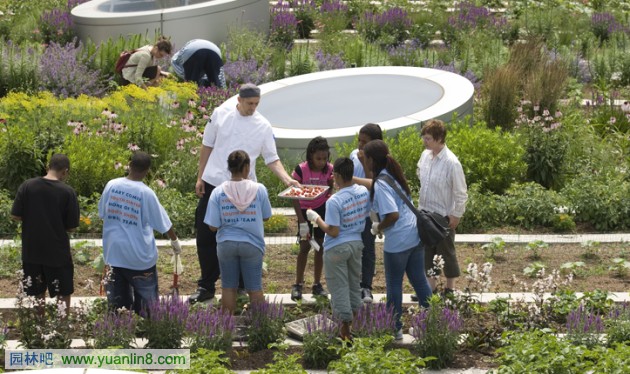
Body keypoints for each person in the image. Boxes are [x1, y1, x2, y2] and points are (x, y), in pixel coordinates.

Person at [190, 83, 299, 305]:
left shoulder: (263, 125)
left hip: (246, 189)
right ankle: (207, 285)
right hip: (214, 183)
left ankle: (239, 286)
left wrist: (287, 179)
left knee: (242, 234)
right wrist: (200, 176)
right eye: (249, 103)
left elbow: (271, 158)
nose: (253, 108)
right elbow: (207, 145)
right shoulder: (221, 113)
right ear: (238, 100)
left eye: (256, 104)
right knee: (205, 235)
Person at [363, 139, 432, 340]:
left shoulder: (381, 184)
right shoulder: (393, 174)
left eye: (364, 157)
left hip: (398, 242)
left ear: (371, 160)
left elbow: (392, 215)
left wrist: (378, 227)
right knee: (419, 281)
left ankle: (395, 328)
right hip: (414, 236)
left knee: (394, 284)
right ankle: (431, 322)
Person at [98, 151, 182, 314]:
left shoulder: (112, 185)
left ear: (129, 165)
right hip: (139, 258)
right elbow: (164, 223)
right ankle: (148, 332)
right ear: (147, 171)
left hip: (114, 255)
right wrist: (175, 241)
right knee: (148, 308)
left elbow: (102, 213)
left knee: (118, 307)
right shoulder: (146, 193)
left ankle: (119, 334)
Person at [305, 157, 369, 341]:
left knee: (339, 288)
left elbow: (333, 231)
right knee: (353, 286)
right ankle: (359, 327)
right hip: (356, 245)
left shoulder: (335, 201)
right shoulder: (362, 191)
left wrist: (316, 218)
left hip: (337, 249)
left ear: (338, 176)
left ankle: (345, 333)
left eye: (334, 174)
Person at [11, 154, 80, 314]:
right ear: (65, 171)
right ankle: (61, 328)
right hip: (57, 251)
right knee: (63, 291)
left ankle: (39, 326)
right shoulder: (67, 192)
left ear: (48, 167)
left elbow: (15, 215)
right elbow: (71, 227)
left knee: (36, 290)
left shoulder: (27, 186)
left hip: (32, 250)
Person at [204, 150, 272, 313]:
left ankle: (228, 328)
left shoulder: (218, 192)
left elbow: (212, 226)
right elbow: (267, 216)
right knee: (254, 288)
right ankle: (260, 327)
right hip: (252, 245)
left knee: (228, 288)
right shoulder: (259, 189)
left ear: (229, 168)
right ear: (247, 167)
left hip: (226, 244)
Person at [416, 119, 468, 296]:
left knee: (446, 251)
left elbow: (461, 191)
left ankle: (450, 288)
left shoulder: (451, 162)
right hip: (425, 212)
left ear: (439, 139)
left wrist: (456, 214)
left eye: (428, 138)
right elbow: (419, 174)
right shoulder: (425, 156)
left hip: (443, 215)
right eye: (424, 137)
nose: (425, 141)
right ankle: (430, 288)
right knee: (427, 252)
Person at [290, 136, 334, 301]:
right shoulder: (301, 170)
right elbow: (294, 195)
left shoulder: (329, 169)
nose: (322, 162)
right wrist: (301, 220)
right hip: (304, 211)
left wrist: (328, 199)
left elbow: (330, 186)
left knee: (320, 247)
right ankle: (298, 284)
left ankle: (317, 284)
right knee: (304, 248)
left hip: (321, 211)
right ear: (310, 156)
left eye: (324, 158)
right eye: (318, 158)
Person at [349, 123, 383, 303]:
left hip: (368, 211)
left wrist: (364, 162)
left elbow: (375, 182)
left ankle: (366, 286)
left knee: (367, 249)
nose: (360, 145)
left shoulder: (381, 160)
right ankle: (353, 284)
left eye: (365, 142)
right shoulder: (354, 155)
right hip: (352, 210)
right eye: (359, 140)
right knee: (352, 248)